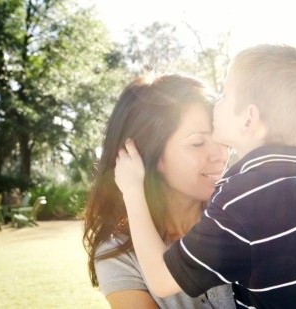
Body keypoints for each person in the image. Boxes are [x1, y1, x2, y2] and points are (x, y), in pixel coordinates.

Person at [114, 44, 296, 308]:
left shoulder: (240, 203)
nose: (217, 103)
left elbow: (161, 281)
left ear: (249, 119)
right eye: (196, 143)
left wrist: (132, 190)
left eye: (225, 95)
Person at [82, 73, 236, 308]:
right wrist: (133, 193)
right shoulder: (118, 255)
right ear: (144, 154)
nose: (221, 155)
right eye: (197, 143)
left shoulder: (241, 219)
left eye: (222, 140)